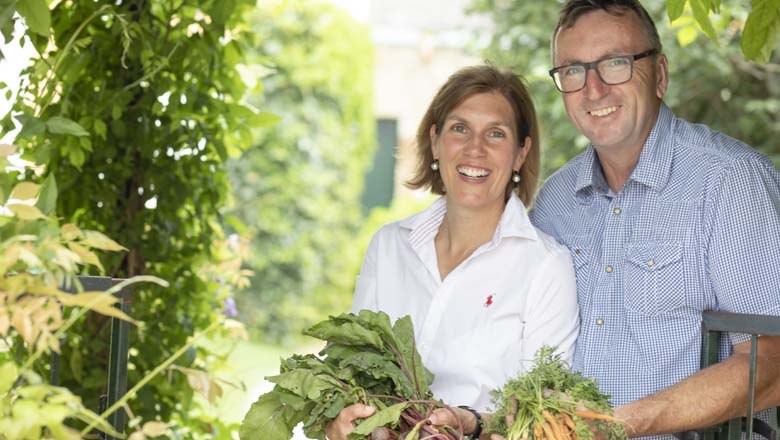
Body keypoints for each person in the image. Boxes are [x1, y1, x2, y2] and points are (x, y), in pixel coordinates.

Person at [524, 0, 780, 438]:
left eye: (616, 64)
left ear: (659, 74)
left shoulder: (729, 182)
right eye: (572, 71)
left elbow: (772, 364)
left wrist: (629, 424)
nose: (593, 89)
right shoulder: (554, 203)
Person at [325, 65, 580, 440]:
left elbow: (542, 419)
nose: (475, 148)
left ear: (520, 153)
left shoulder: (545, 267)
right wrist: (340, 424)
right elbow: (349, 372)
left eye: (496, 133)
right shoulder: (389, 246)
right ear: (435, 140)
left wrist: (471, 423)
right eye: (460, 128)